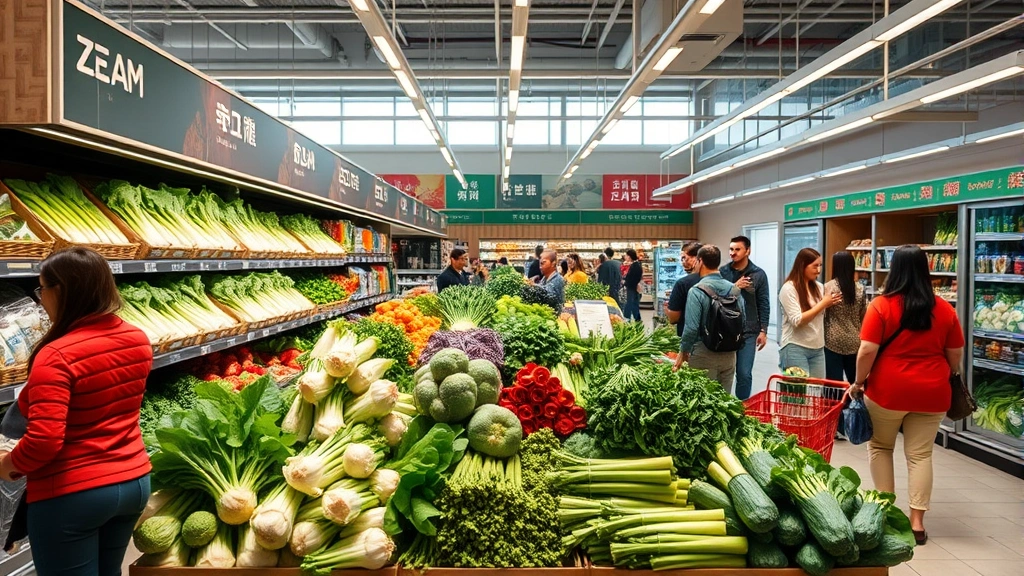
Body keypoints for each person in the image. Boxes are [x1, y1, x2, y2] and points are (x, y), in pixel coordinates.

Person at [0, 247, 153, 576]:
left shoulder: (56, 355)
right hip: (133, 481)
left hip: (73, 495)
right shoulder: (137, 338)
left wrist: (9, 466)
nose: (41, 299)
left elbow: (45, 441)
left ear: (62, 291)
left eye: (42, 290)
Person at [851, 246, 964, 546]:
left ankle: (887, 514)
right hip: (932, 393)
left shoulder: (881, 306)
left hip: (888, 392)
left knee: (880, 448)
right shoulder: (944, 309)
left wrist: (858, 382)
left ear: (894, 269)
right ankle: (917, 523)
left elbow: (866, 351)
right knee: (920, 455)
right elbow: (956, 355)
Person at [674, 245, 745, 392]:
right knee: (723, 404)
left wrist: (683, 351)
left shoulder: (697, 291)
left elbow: (691, 328)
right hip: (729, 355)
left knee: (702, 405)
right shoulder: (734, 289)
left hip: (703, 354)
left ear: (700, 261)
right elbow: (742, 321)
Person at [718, 236, 771, 399]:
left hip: (749, 330)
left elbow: (763, 302)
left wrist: (763, 330)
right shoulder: (723, 272)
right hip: (725, 329)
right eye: (731, 249)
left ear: (748, 251)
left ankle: (743, 407)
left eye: (737, 249)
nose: (733, 253)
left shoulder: (758, 274)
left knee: (744, 373)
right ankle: (720, 406)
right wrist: (735, 287)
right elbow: (716, 297)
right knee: (724, 372)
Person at [778, 247, 842, 378]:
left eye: (820, 265)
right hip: (794, 347)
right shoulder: (789, 288)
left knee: (816, 392)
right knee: (797, 395)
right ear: (802, 266)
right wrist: (823, 303)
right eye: (814, 266)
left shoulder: (819, 287)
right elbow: (797, 320)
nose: (818, 270)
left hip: (817, 348)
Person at [824, 252, 867, 383]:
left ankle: (836, 403)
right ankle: (853, 403)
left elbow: (824, 312)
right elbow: (863, 314)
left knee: (833, 383)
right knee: (855, 380)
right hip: (854, 340)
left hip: (832, 340)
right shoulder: (860, 288)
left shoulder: (828, 287)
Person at [666, 242, 702, 336]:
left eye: (684, 258)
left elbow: (673, 318)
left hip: (690, 338)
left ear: (696, 259)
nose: (682, 262)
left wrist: (667, 310)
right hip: (715, 340)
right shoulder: (722, 280)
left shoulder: (683, 284)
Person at [623, 249, 644, 322]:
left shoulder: (635, 266)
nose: (625, 257)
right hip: (634, 287)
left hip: (632, 287)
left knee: (629, 304)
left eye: (626, 255)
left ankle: (627, 319)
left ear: (629, 256)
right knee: (634, 304)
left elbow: (632, 278)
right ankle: (637, 319)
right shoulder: (636, 265)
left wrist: (625, 282)